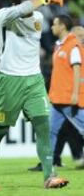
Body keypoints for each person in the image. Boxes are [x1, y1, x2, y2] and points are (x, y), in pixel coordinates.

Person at [0, 0, 69, 190]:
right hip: (9, 80)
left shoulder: (37, 18)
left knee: (43, 127)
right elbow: (20, 11)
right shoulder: (2, 15)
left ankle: (49, 176)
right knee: (0, 129)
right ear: (16, 2)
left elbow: (27, 11)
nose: (33, 6)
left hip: (34, 80)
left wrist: (41, 0)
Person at [28, 22, 84, 171]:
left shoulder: (74, 50)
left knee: (70, 131)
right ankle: (49, 161)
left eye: (83, 36)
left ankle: (69, 158)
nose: (82, 39)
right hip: (62, 98)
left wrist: (74, 95)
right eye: (79, 36)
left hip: (74, 100)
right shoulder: (63, 48)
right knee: (52, 130)